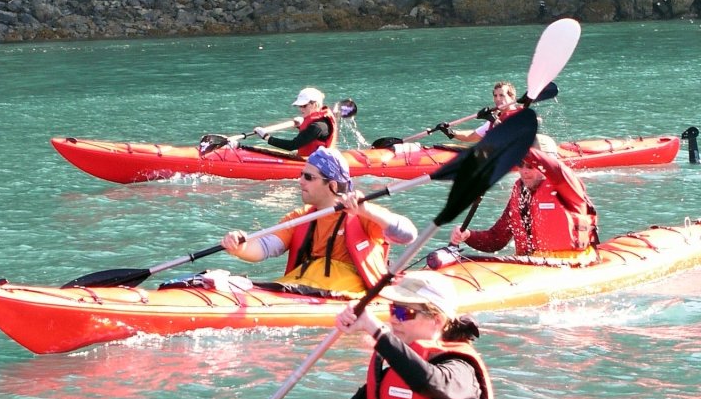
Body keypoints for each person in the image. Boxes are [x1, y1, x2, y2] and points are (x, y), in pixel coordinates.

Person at [232, 273, 493, 399]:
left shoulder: (460, 369)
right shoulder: (393, 372)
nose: (393, 319)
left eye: (404, 312)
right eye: (392, 310)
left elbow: (428, 381)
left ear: (437, 320)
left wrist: (375, 330)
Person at [221, 147, 417, 294]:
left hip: (348, 294)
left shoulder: (362, 214)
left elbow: (408, 235)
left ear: (331, 185)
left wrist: (367, 211)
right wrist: (240, 247)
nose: (300, 181)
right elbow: (265, 247)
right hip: (304, 287)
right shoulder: (300, 216)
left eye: (308, 177)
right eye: (301, 175)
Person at [449, 141, 598, 260]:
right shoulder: (520, 193)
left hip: (570, 262)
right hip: (528, 264)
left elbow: (554, 167)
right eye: (520, 165)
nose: (524, 171)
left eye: (531, 166)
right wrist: (468, 235)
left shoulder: (567, 186)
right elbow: (496, 240)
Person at [252, 87, 337, 156]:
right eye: (299, 106)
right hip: (310, 158)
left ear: (315, 104)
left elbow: (292, 145)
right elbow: (309, 135)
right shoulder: (317, 123)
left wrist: (267, 138)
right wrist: (300, 126)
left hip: (316, 165)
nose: (301, 109)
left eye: (304, 106)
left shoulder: (318, 126)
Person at [440, 80, 521, 144]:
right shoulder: (497, 116)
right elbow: (473, 136)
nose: (498, 99)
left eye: (502, 95)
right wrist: (451, 132)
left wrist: (493, 120)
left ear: (512, 98)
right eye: (495, 96)